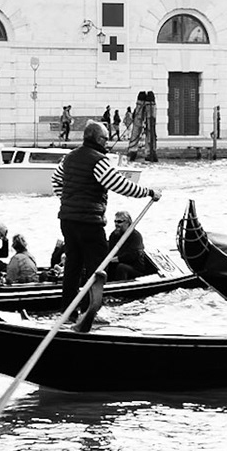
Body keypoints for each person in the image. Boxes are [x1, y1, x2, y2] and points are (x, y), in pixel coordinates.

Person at [53, 119, 160, 331]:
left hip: (67, 220)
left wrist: (67, 200)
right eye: (105, 138)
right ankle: (89, 311)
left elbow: (56, 180)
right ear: (98, 138)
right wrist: (148, 192)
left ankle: (67, 311)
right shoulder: (99, 160)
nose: (107, 141)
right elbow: (119, 184)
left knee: (73, 266)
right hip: (89, 223)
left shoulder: (69, 158)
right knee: (98, 269)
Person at [105, 208, 159, 280]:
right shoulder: (113, 235)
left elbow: (134, 254)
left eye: (119, 222)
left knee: (121, 267)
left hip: (135, 268)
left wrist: (118, 259)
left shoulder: (135, 236)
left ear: (127, 223)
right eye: (115, 221)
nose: (116, 224)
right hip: (117, 265)